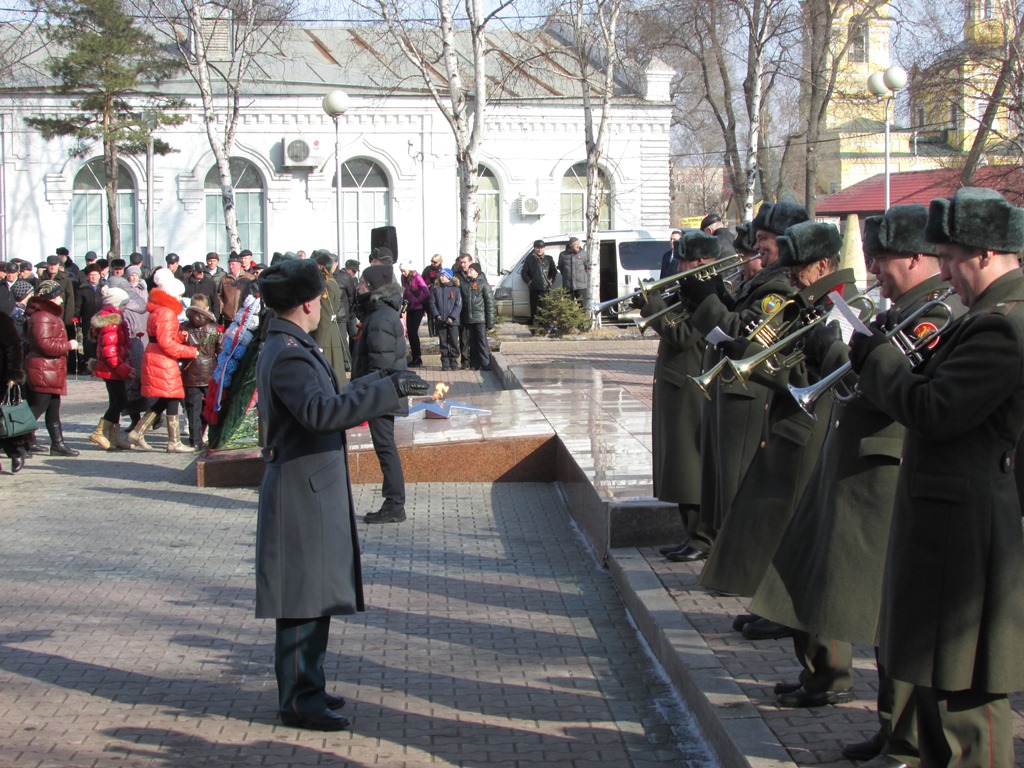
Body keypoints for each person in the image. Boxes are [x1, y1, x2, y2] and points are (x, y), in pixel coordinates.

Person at [849, 187, 1024, 768]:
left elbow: (936, 411)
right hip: (945, 519)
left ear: (983, 254)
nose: (941, 271)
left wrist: (880, 360)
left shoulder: (1002, 325)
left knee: (962, 695)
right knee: (934, 677)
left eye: (948, 258)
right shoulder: (983, 318)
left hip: (965, 527)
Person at [254, 257, 428, 732]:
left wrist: (384, 381)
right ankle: (297, 699)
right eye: (322, 298)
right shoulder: (289, 352)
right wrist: (387, 391)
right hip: (299, 490)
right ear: (309, 302)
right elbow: (319, 412)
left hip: (310, 487)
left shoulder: (291, 344)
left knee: (316, 595)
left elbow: (331, 396)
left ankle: (308, 684)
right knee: (300, 602)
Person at [638, 231, 720, 562]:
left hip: (692, 386)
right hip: (678, 384)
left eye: (684, 260)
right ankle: (691, 533)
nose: (679, 266)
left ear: (702, 262)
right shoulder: (691, 289)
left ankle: (701, 537)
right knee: (679, 462)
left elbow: (685, 335)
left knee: (690, 464)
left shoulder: (710, 292)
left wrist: (653, 306)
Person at [352, 264, 409, 523]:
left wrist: (369, 395)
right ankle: (393, 503)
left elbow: (381, 364)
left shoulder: (380, 317)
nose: (358, 286)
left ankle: (395, 505)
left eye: (362, 283)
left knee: (385, 446)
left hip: (382, 392)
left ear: (374, 288)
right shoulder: (379, 313)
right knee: (384, 445)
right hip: (383, 391)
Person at [128, 267, 198, 452]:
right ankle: (173, 442)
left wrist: (179, 336)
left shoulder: (158, 311)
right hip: (163, 358)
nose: (179, 299)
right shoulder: (167, 313)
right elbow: (166, 343)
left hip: (156, 355)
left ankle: (138, 431)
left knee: (167, 398)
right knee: (172, 396)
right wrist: (189, 351)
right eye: (178, 295)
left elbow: (162, 336)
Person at [24, 280, 80, 456]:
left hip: (50, 369)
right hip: (43, 369)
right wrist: (68, 345)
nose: (61, 300)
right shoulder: (42, 317)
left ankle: (57, 443)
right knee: (37, 407)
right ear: (50, 298)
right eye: (58, 296)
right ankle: (15, 441)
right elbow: (44, 344)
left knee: (53, 407)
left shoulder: (47, 315)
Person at [87, 285, 135, 451]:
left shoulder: (113, 319)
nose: (125, 307)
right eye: (123, 304)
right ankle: (99, 432)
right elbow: (110, 352)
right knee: (121, 400)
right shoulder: (112, 322)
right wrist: (125, 369)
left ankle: (114, 437)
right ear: (115, 304)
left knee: (116, 400)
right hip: (112, 368)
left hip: (113, 367)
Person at [180, 294, 220, 450]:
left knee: (193, 409)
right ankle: (213, 438)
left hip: (190, 373)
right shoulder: (214, 328)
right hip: (209, 372)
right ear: (207, 308)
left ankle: (195, 440)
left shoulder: (183, 327)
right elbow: (221, 350)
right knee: (212, 407)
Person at [0, 306, 29, 472]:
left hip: (2, 377)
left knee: (6, 417)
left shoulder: (2, 319)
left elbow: (14, 347)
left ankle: (16, 452)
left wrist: (13, 374)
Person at [311, 252, 347, 385]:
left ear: (320, 267)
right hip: (329, 333)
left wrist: (319, 344)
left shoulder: (325, 285)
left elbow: (325, 315)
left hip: (326, 336)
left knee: (328, 379)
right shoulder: (330, 282)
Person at [428, 268, 462, 372]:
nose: (441, 277)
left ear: (448, 277)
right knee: (443, 342)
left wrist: (452, 317)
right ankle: (445, 362)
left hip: (453, 321)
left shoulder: (456, 289)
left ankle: (453, 362)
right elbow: (432, 304)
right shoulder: (436, 289)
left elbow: (458, 305)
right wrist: (437, 315)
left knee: (453, 341)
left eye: (443, 275)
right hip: (441, 320)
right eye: (440, 275)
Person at [462, 262, 494, 370]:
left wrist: (490, 322)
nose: (469, 271)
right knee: (472, 342)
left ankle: (485, 364)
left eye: (471, 269)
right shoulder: (465, 284)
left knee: (482, 342)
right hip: (469, 318)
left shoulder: (483, 284)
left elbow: (490, 303)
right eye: (469, 269)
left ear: (477, 272)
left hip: (480, 318)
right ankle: (474, 364)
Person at [520, 239, 556, 326]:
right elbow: (524, 273)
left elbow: (553, 271)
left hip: (545, 289)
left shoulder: (549, 259)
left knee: (545, 309)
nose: (539, 250)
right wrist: (529, 282)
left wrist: (550, 281)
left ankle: (545, 328)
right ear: (534, 248)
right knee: (535, 310)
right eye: (537, 248)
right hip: (534, 289)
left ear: (544, 248)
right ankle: (535, 330)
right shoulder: (529, 259)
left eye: (541, 247)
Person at [400, 263, 429, 367]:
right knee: (410, 333)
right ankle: (414, 357)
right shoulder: (403, 277)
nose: (403, 273)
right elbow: (404, 291)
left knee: (413, 332)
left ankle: (418, 358)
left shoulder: (417, 277)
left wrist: (417, 300)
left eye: (404, 270)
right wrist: (404, 301)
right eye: (401, 271)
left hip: (418, 308)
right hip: (409, 307)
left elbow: (426, 292)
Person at [75, 264, 104, 363]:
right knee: (88, 342)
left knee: (101, 341)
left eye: (96, 275)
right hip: (88, 320)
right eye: (91, 275)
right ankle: (89, 363)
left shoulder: (104, 288)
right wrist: (77, 319)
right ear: (87, 276)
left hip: (102, 320)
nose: (93, 277)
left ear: (99, 275)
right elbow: (78, 306)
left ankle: (101, 363)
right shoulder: (82, 289)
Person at [218, 254, 252, 326]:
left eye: (232, 264)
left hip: (244, 317)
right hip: (228, 317)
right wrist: (222, 307)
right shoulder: (224, 279)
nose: (230, 267)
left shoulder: (249, 278)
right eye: (229, 264)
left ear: (239, 265)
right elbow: (219, 295)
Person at [558, 237, 590, 306]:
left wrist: (583, 277)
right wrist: (566, 275)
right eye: (576, 244)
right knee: (568, 308)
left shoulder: (583, 254)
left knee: (582, 307)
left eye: (579, 244)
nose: (578, 246)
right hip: (568, 286)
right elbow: (560, 267)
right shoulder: (563, 255)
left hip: (581, 286)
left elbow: (587, 268)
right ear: (571, 245)